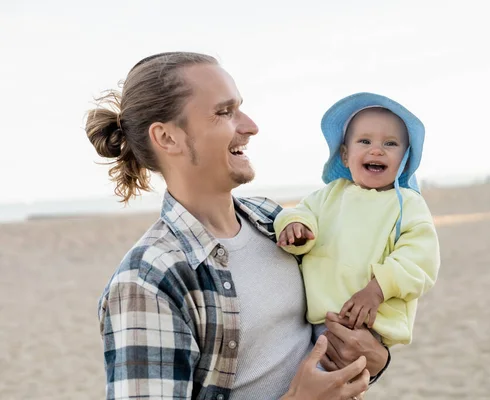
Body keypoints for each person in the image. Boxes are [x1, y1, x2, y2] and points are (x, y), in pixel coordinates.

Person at [85, 52, 390, 400]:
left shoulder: (275, 222)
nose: (250, 126)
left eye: (239, 108)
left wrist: (375, 360)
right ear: (168, 138)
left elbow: (337, 357)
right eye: (224, 112)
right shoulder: (148, 280)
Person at [275, 93, 441, 364]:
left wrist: (376, 290)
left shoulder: (407, 204)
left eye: (390, 143)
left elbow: (420, 258)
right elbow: (299, 212)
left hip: (369, 325)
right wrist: (295, 225)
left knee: (329, 381)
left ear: (405, 159)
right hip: (318, 320)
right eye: (364, 141)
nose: (377, 150)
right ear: (344, 154)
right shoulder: (329, 195)